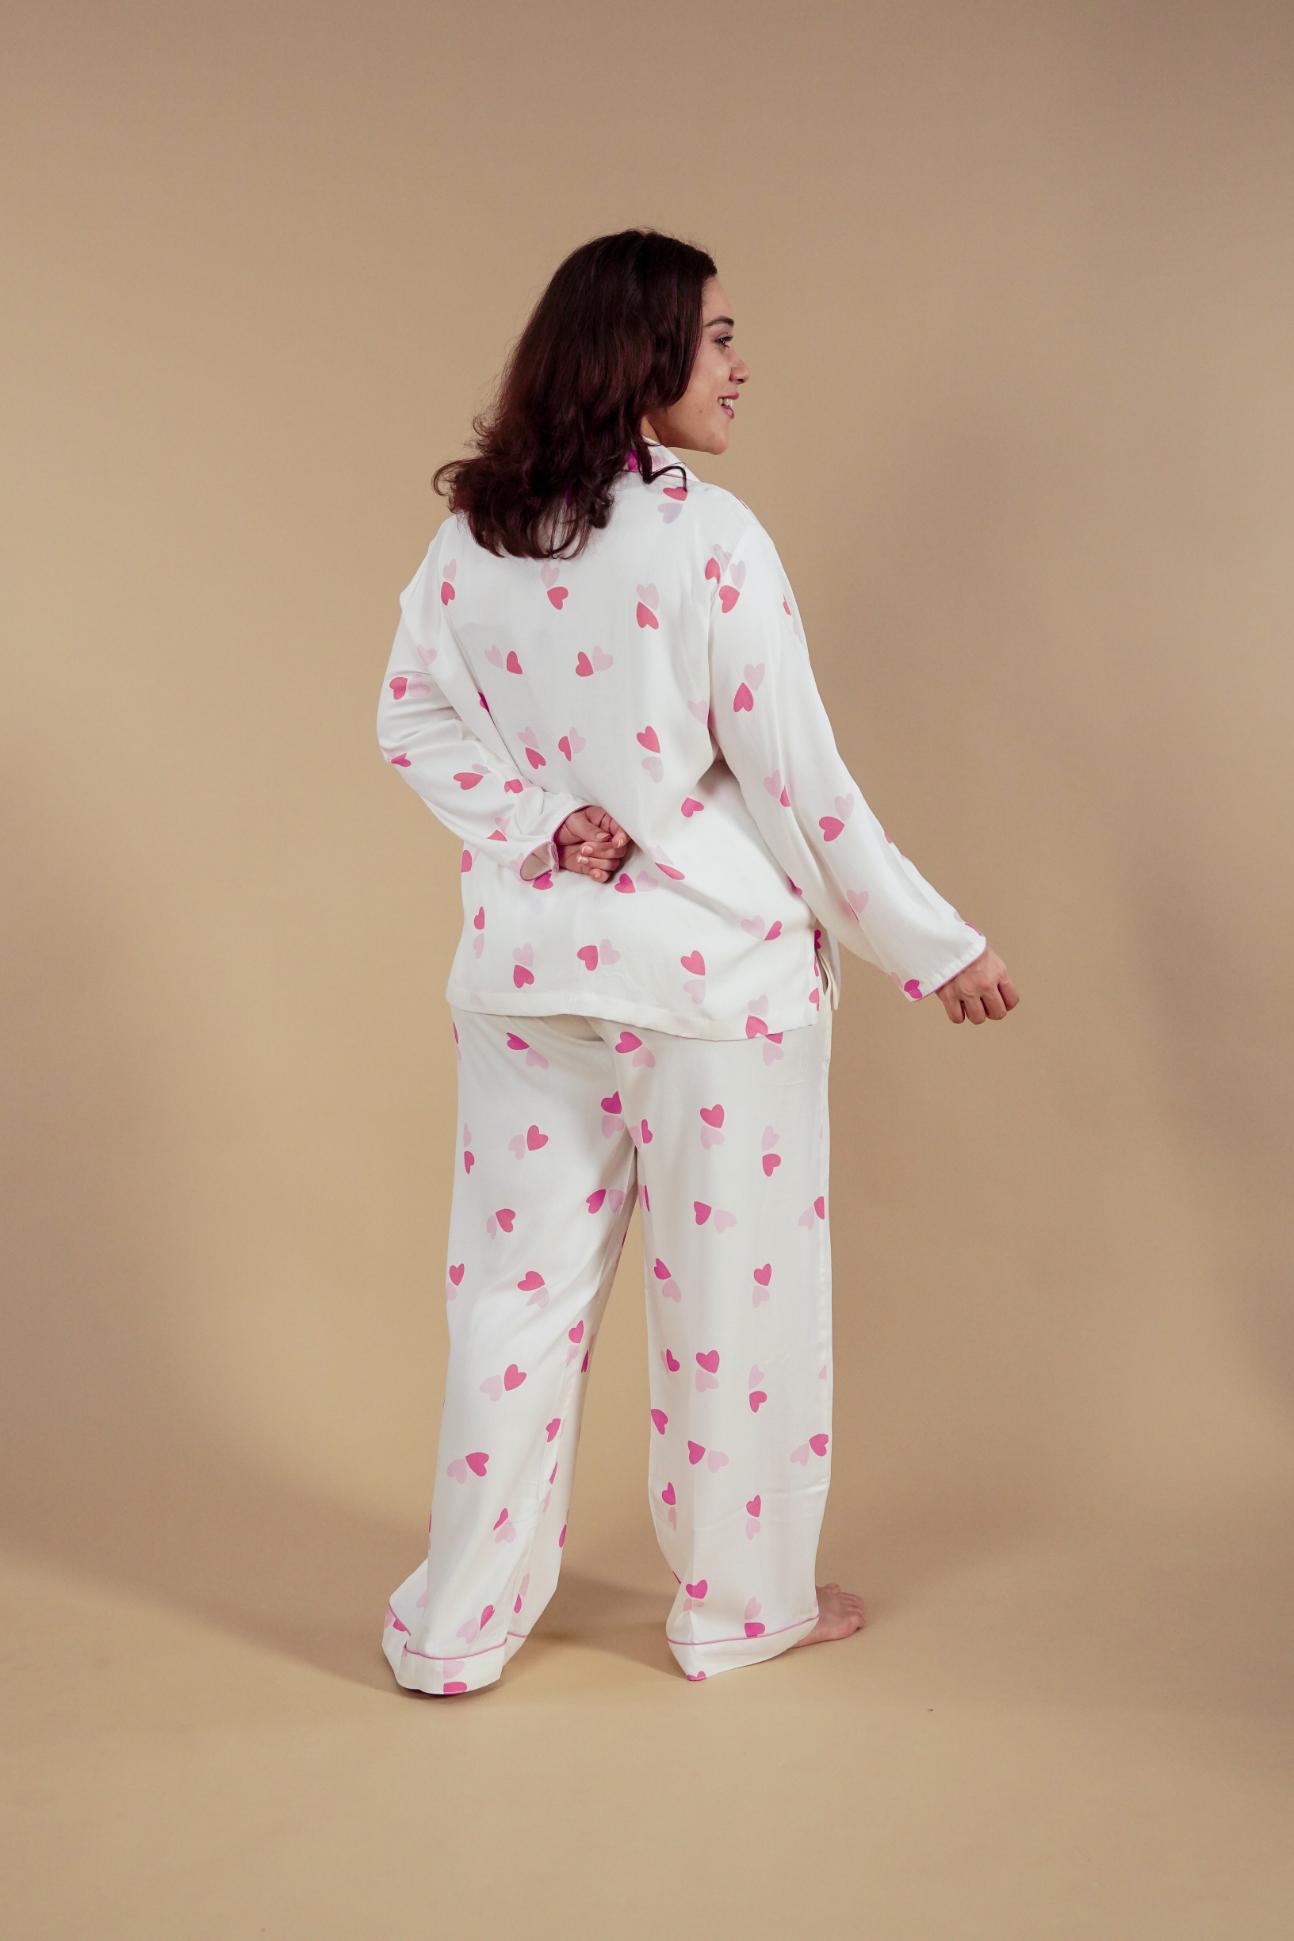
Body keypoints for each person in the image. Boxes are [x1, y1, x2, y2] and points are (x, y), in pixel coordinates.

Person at [376, 228, 1019, 1694]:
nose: (740, 367)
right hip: (713, 987)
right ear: (644, 352)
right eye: (718, 337)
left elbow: (409, 718)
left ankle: (454, 1626)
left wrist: (540, 826)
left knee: (512, 1303)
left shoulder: (474, 539)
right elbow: (800, 785)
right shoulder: (709, 539)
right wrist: (935, 947)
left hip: (531, 977)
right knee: (735, 1302)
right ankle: (740, 1607)